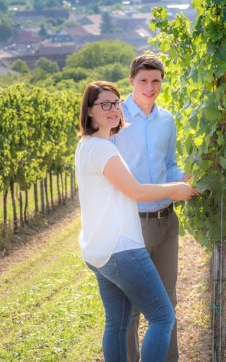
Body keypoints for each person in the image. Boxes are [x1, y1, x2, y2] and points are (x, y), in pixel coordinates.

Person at [75, 81, 196, 361]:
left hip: (99, 249)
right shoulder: (103, 150)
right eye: (104, 104)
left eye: (116, 103)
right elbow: (136, 191)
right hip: (121, 248)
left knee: (117, 323)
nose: (113, 109)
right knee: (163, 317)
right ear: (89, 111)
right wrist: (175, 188)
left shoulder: (88, 146)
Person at [111, 54, 189, 362]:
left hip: (166, 222)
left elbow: (169, 165)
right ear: (131, 81)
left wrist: (189, 177)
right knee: (130, 309)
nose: (150, 86)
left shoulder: (166, 120)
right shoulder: (115, 119)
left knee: (166, 304)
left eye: (156, 80)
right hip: (130, 223)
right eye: (143, 80)